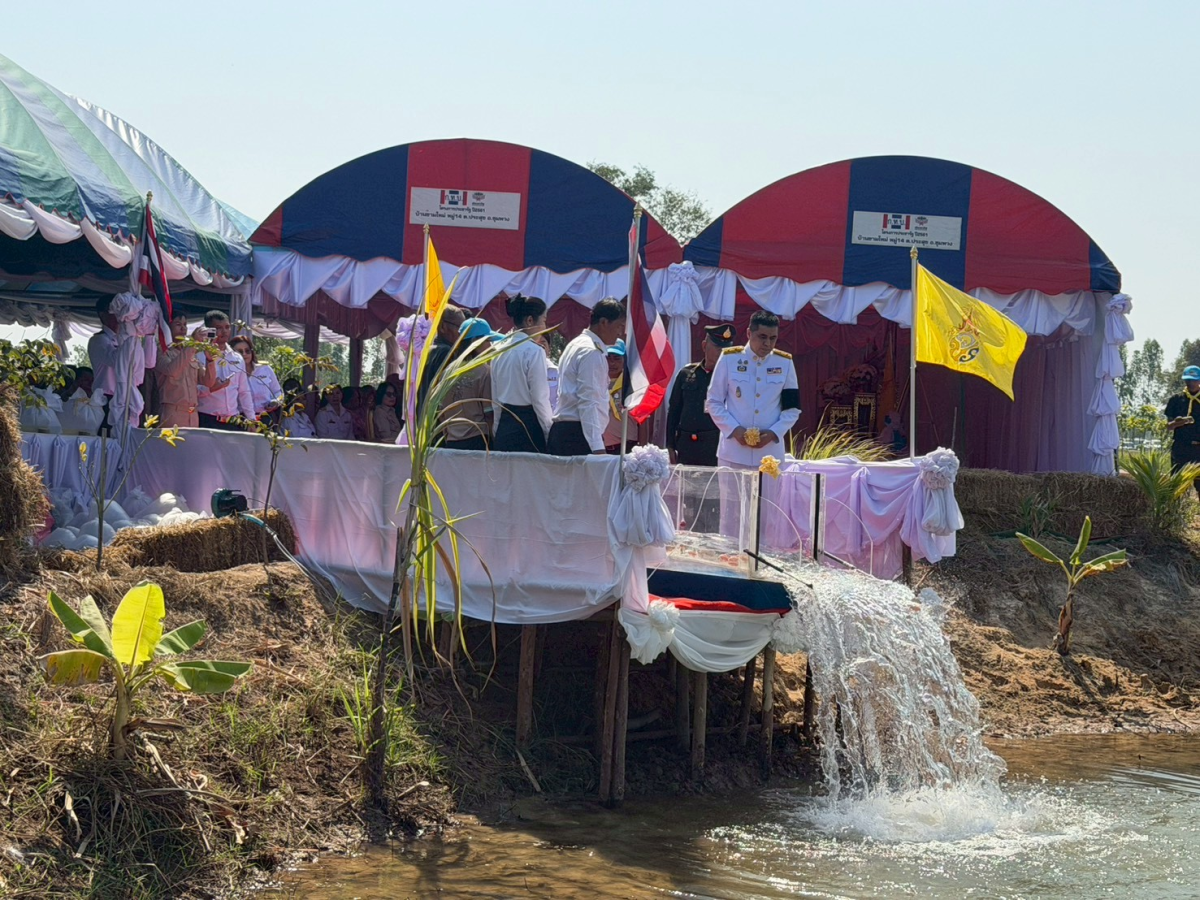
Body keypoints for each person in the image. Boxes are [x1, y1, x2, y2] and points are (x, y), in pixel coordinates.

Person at [706, 310, 800, 469]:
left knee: (767, 496)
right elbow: (714, 401)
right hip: (733, 452)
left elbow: (792, 409)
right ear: (749, 333)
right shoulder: (730, 358)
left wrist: (773, 433)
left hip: (770, 455)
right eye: (762, 337)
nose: (768, 344)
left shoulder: (784, 362)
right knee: (731, 495)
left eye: (773, 338)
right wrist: (734, 430)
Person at [549, 299, 626, 457]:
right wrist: (597, 447)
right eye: (619, 326)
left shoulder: (577, 344)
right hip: (577, 435)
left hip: (571, 432)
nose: (621, 332)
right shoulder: (591, 351)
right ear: (604, 322)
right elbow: (588, 401)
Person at [666, 323, 736, 466]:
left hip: (715, 444)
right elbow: (674, 410)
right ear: (704, 346)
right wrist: (670, 445)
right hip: (686, 444)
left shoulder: (732, 378)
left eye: (726, 349)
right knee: (684, 487)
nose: (722, 352)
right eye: (718, 347)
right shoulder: (686, 373)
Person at [491, 295, 554, 453]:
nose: (545, 327)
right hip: (528, 429)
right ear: (530, 321)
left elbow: (495, 400)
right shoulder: (534, 351)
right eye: (544, 321)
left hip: (504, 427)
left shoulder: (498, 350)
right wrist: (548, 432)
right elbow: (539, 399)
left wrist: (496, 430)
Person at [438, 318, 500, 451]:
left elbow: (441, 412)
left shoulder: (447, 373)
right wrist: (493, 443)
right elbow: (489, 414)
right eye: (488, 341)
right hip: (478, 440)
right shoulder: (484, 371)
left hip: (452, 442)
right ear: (475, 343)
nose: (491, 346)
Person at [155, 312, 218, 427]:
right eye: (178, 324)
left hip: (192, 413)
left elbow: (209, 382)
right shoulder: (161, 351)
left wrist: (210, 360)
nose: (183, 328)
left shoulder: (190, 352)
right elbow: (172, 370)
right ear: (167, 328)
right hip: (173, 412)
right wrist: (193, 343)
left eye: (185, 324)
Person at [196, 310, 255, 429]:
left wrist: (251, 420)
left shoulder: (237, 357)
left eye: (227, 327)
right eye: (218, 328)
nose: (224, 332)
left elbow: (244, 391)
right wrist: (210, 388)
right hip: (208, 420)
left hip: (233, 421)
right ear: (209, 330)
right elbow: (191, 391)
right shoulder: (198, 356)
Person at [416, 305, 468, 416]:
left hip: (423, 419)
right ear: (443, 326)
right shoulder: (446, 353)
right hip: (438, 422)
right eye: (460, 327)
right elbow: (447, 395)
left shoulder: (428, 350)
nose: (462, 333)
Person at [1165, 364, 1200, 499]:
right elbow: (1168, 426)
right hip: (1181, 448)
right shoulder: (1176, 400)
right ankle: (1177, 516)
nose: (1191, 383)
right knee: (1177, 486)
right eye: (1188, 380)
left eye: (1194, 380)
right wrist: (1177, 423)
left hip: (1199, 449)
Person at [86, 297, 120, 425]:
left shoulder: (119, 339)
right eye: (114, 311)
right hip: (105, 397)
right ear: (103, 315)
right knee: (106, 437)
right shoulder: (99, 340)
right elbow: (116, 361)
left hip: (120, 397)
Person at [229, 336, 282, 419]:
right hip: (243, 419)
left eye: (247, 351)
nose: (244, 354)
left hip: (266, 417)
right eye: (240, 352)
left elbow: (278, 392)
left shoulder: (265, 369)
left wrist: (276, 402)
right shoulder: (231, 373)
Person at [602, 340, 628, 453]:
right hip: (601, 447)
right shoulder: (595, 382)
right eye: (608, 358)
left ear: (624, 360)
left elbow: (642, 421)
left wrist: (641, 447)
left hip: (627, 446)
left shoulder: (630, 385)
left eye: (617, 358)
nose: (612, 363)